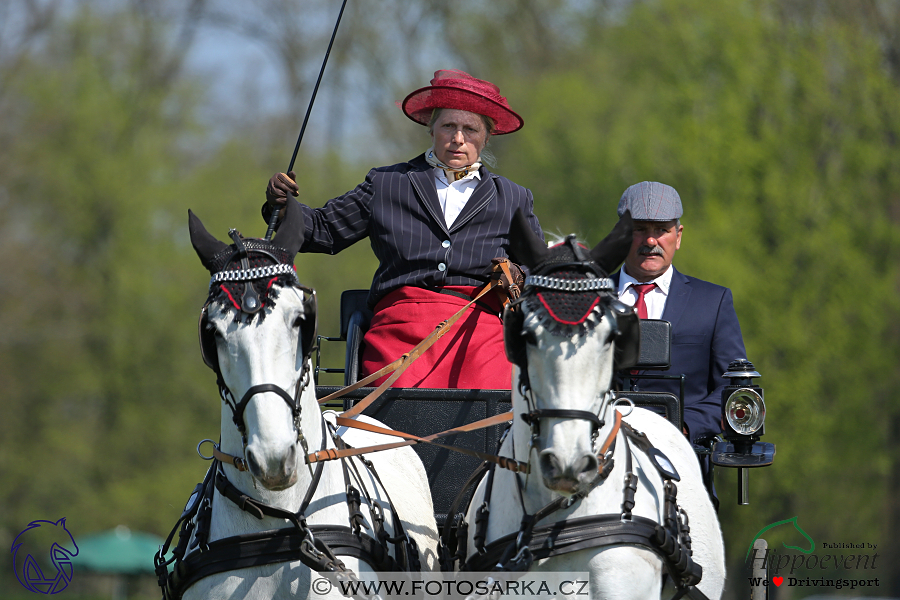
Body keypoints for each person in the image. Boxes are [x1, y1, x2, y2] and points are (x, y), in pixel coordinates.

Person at [263, 69, 543, 390]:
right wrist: (281, 205)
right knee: (392, 401)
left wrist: (517, 274)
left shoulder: (513, 197)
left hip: (479, 334)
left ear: (487, 136)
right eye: (449, 126)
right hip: (399, 329)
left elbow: (540, 270)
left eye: (471, 129)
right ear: (431, 127)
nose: (458, 138)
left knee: (497, 393)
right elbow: (322, 230)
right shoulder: (387, 184)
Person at [611, 181, 747, 448]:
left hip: (682, 460)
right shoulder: (589, 301)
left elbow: (734, 389)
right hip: (599, 457)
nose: (651, 241)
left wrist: (683, 426)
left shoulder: (713, 302)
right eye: (639, 229)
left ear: (679, 235)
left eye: (662, 229)